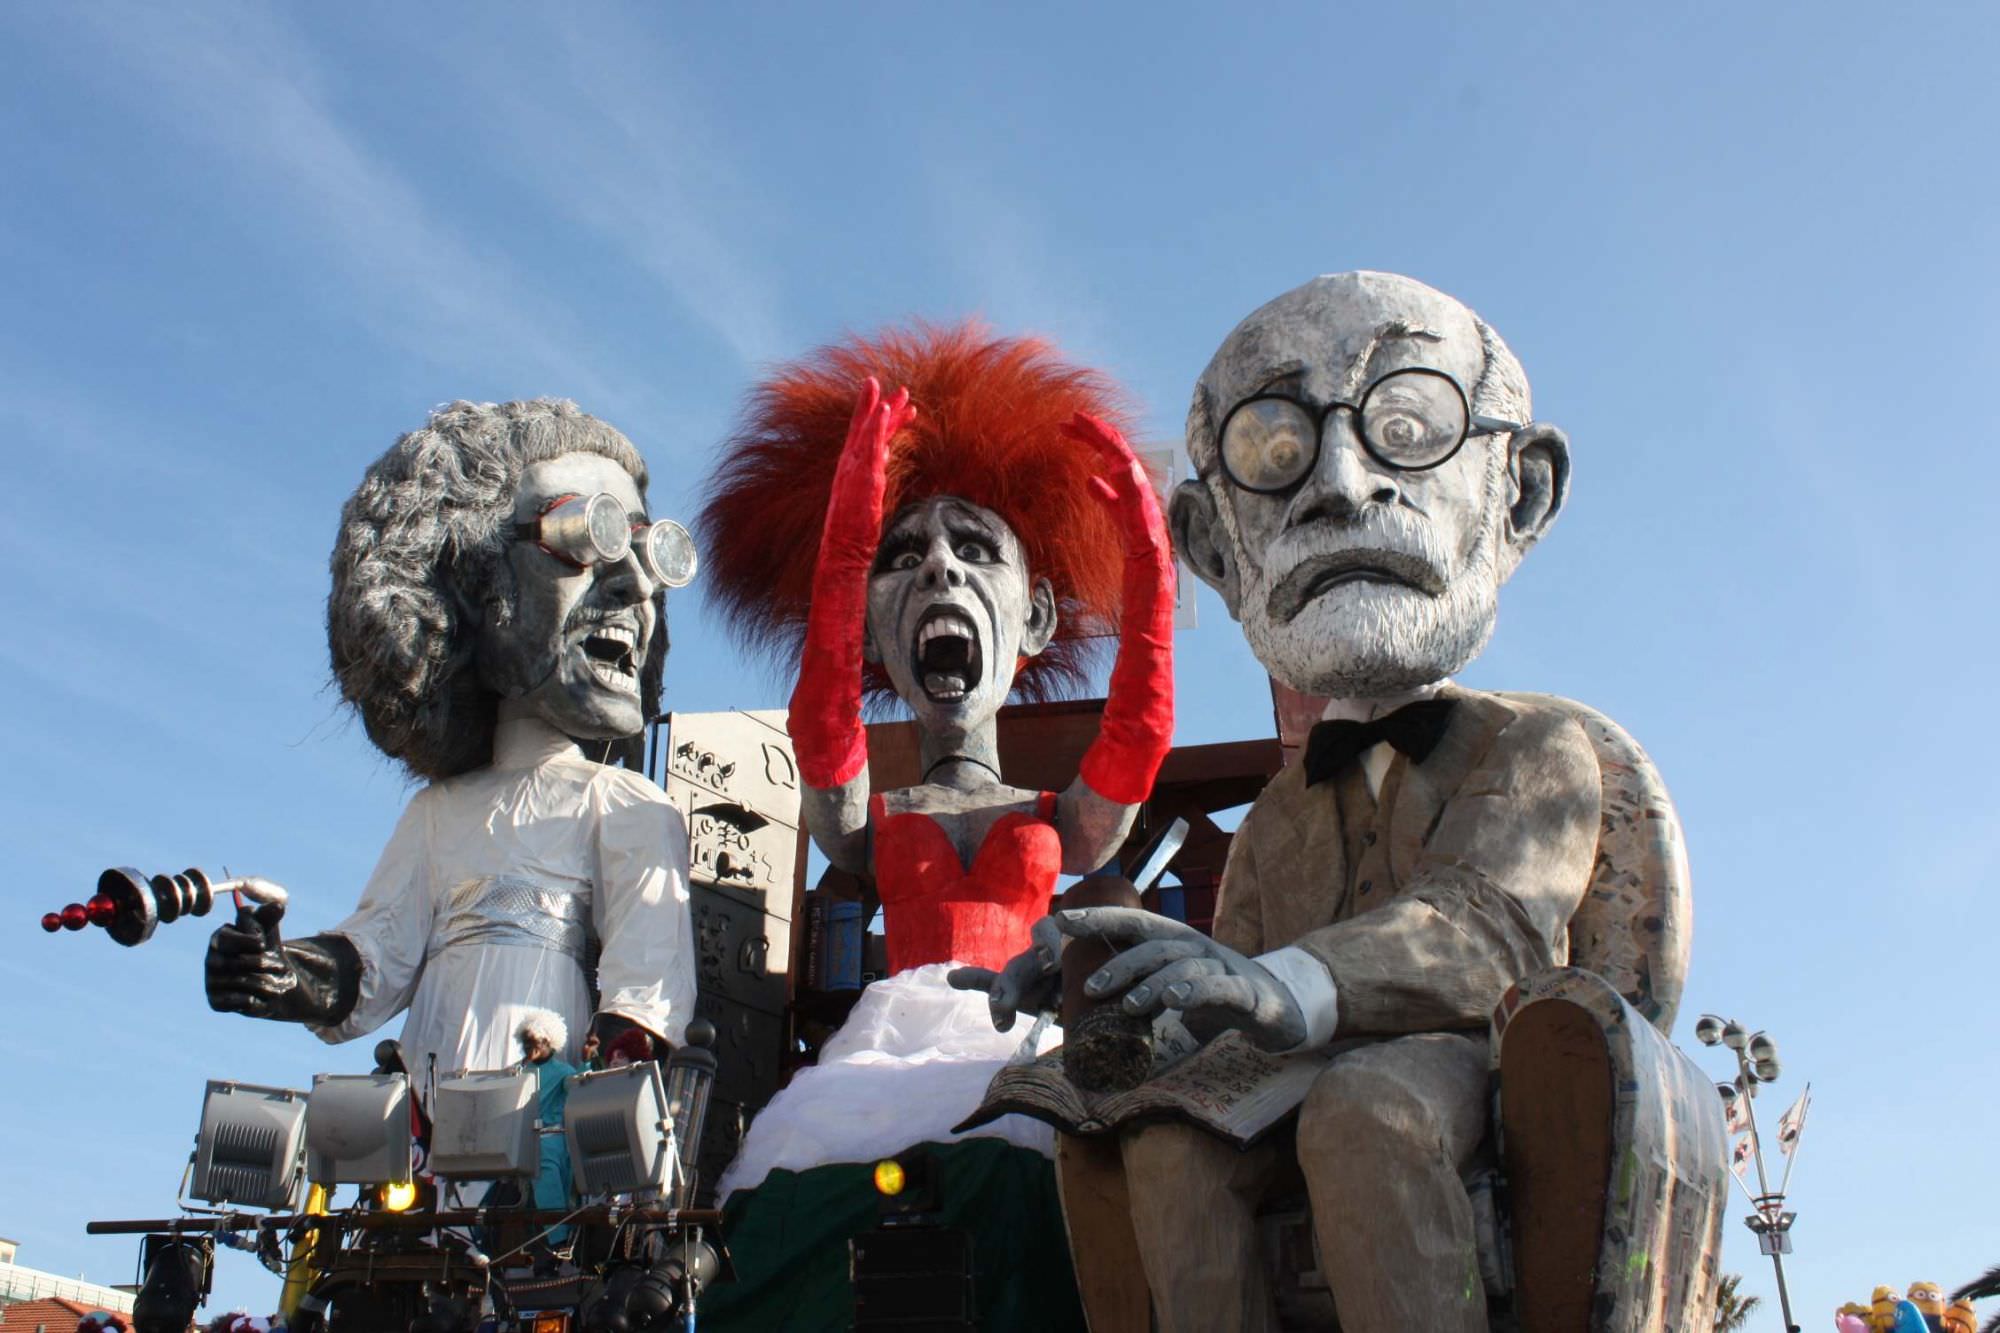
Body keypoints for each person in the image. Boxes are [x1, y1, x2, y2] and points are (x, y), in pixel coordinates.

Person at [965, 272, 1606, 1332]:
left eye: (1406, 425)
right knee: (1168, 1142)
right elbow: (1230, 998)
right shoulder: (1273, 815)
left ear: (1518, 490)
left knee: (1364, 1112)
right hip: (1285, 1085)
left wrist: (1281, 983)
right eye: (1276, 454)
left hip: (1462, 1068)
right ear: (1216, 551)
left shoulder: (1535, 745)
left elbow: (1488, 930)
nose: (1342, 485)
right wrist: (1111, 988)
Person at [693, 323, 1175, 1329]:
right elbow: (821, 723)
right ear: (876, 624)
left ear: (1036, 617)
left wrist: (1145, 554)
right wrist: (849, 534)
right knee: (794, 1213)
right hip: (887, 1042)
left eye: (974, 550)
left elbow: (1138, 729)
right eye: (905, 557)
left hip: (1019, 1038)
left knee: (1037, 1196)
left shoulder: (1064, 817)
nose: (941, 572)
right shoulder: (873, 819)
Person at [203, 399, 697, 1086]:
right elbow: (378, 953)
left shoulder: (627, 807)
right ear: (468, 581)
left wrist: (601, 1106)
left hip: (543, 1105)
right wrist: (285, 974)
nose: (637, 583)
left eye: (647, 554)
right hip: (424, 1110)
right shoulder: (436, 816)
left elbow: (648, 982)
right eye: (585, 539)